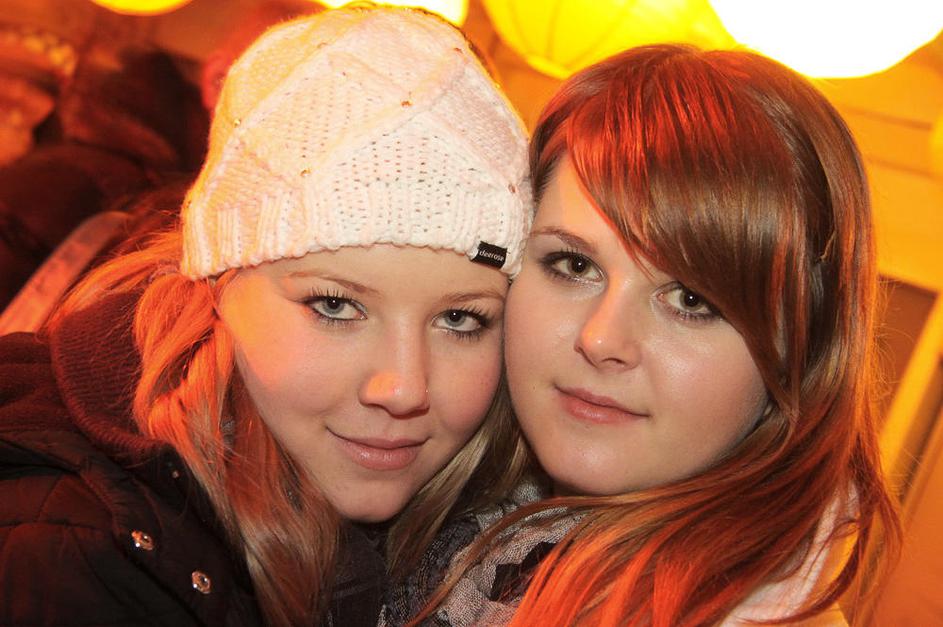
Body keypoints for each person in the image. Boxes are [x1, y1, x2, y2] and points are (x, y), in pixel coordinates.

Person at [0, 6, 530, 626]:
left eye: (461, 320)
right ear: (216, 285)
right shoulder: (77, 558)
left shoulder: (487, 532)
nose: (405, 389)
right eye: (336, 306)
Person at [396, 44, 901, 626]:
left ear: (798, 353)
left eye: (691, 299)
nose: (601, 339)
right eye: (574, 265)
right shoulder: (456, 514)